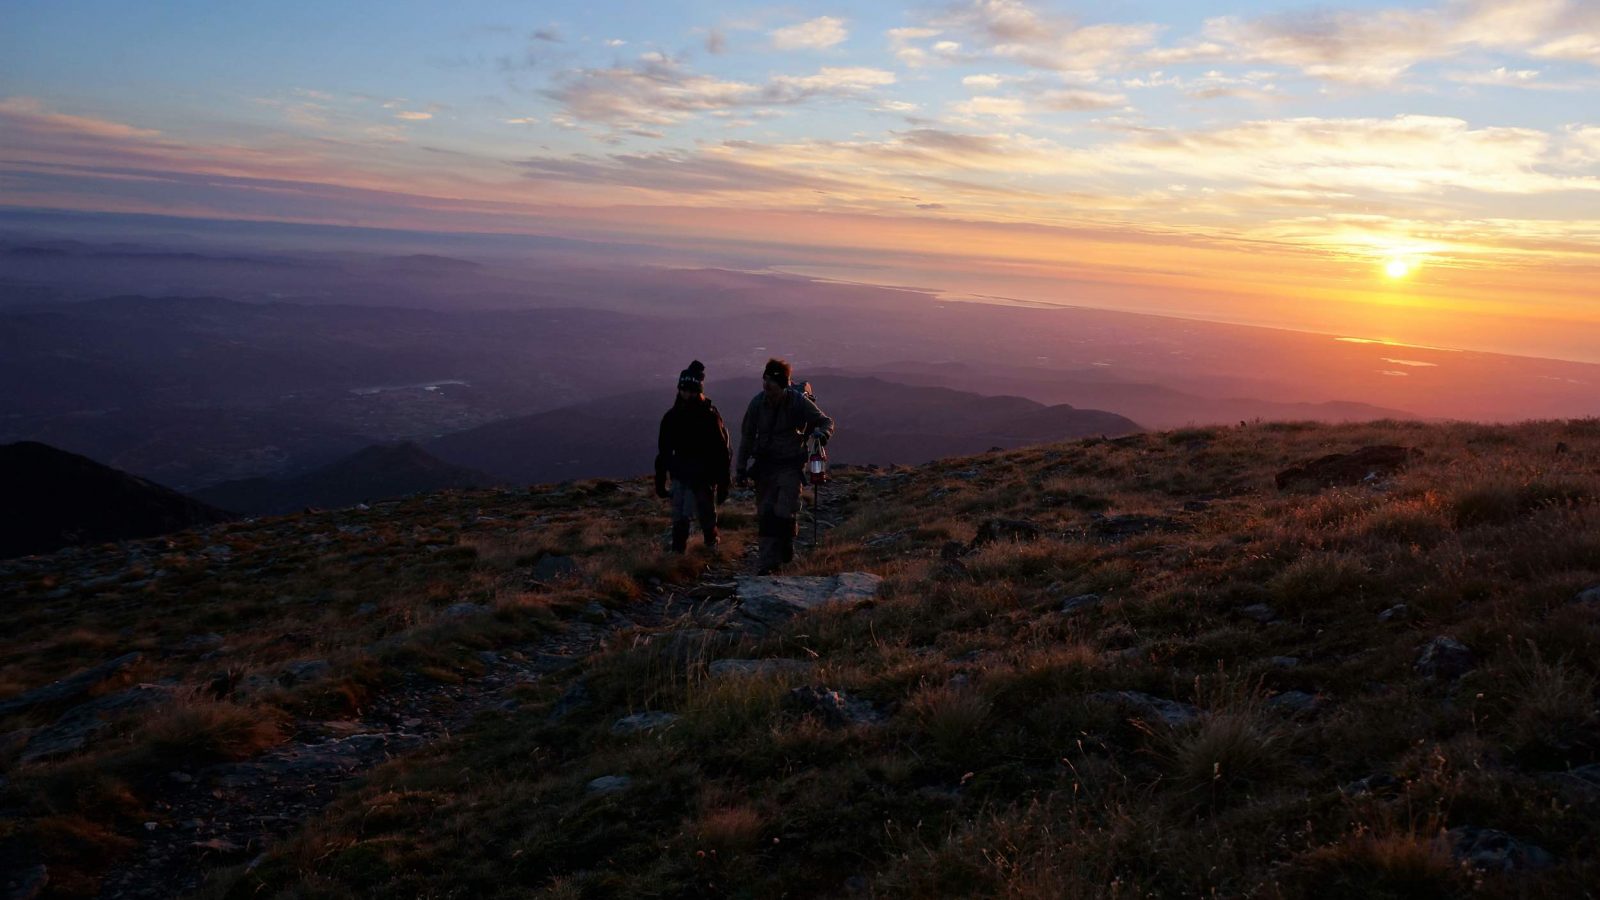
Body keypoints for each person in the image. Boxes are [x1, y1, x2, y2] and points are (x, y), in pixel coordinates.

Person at [737, 358, 834, 574]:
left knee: (783, 510)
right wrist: (740, 469)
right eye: (765, 385)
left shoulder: (798, 402)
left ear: (783, 386)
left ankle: (786, 543)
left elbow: (825, 421)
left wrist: (823, 434)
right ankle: (767, 564)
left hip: (790, 465)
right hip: (765, 467)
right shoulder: (757, 404)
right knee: (766, 514)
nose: (768, 392)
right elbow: (747, 437)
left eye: (772, 387)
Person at [654, 360, 732, 553]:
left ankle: (710, 544)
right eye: (683, 390)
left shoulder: (708, 416)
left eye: (690, 390)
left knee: (704, 512)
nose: (686, 394)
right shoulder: (672, 417)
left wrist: (723, 482)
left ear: (698, 390)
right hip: (682, 472)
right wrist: (661, 478)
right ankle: (680, 551)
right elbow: (664, 450)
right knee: (681, 514)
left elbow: (722, 451)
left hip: (703, 474)